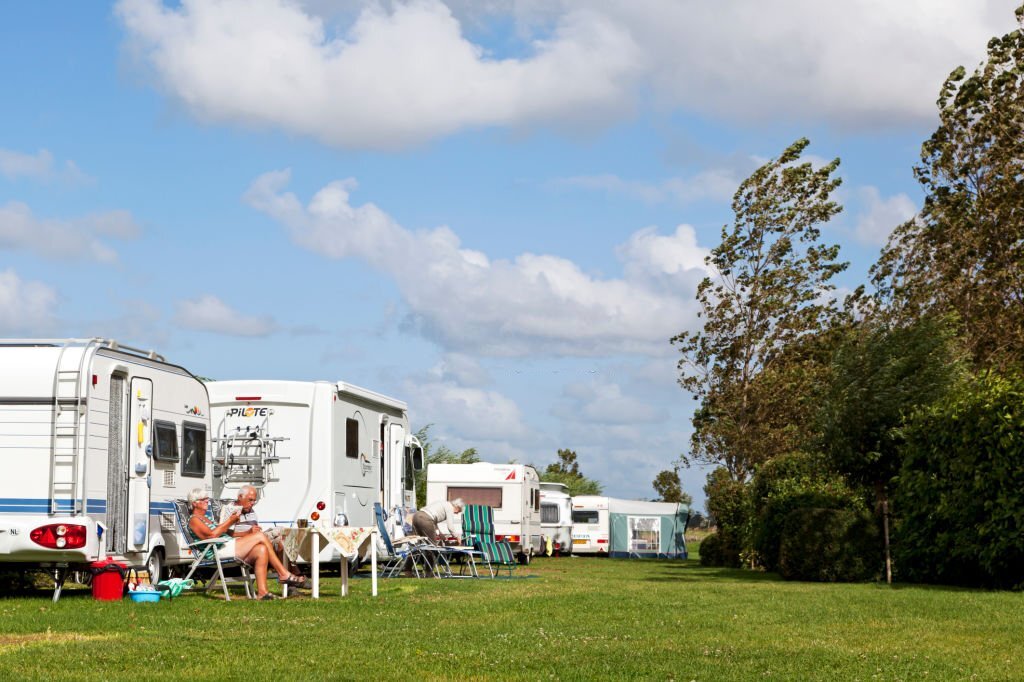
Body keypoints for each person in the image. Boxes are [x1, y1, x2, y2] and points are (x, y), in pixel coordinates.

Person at [187, 487, 306, 600]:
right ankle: (283, 573)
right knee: (260, 536)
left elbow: (227, 532)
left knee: (261, 549)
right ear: (194, 503)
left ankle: (262, 593)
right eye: (203, 500)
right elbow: (211, 535)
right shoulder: (194, 520)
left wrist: (247, 532)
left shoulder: (207, 518)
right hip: (216, 550)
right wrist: (230, 521)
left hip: (227, 545)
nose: (207, 501)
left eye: (207, 499)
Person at [221, 485, 287, 566]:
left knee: (282, 539)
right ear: (240, 497)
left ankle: (292, 574)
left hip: (257, 539)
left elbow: (255, 529)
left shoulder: (250, 510)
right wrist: (247, 533)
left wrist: (256, 530)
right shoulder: (230, 510)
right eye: (250, 500)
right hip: (243, 545)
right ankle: (285, 572)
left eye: (254, 501)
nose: (252, 503)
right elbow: (224, 533)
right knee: (276, 534)